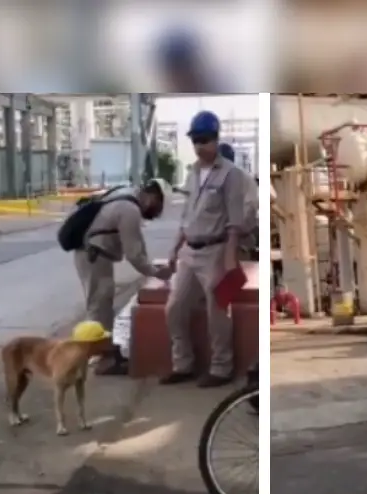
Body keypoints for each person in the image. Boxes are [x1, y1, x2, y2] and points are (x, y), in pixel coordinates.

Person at [162, 111, 245, 388]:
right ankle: (182, 364)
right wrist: (174, 250)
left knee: (217, 312)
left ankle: (221, 367)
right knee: (175, 308)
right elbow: (186, 217)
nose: (200, 146)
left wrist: (230, 258)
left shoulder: (231, 174)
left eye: (205, 140)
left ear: (216, 139)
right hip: (190, 251)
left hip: (216, 251)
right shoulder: (193, 173)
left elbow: (234, 221)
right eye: (196, 140)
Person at [74, 179, 175, 374]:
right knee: (99, 305)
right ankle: (101, 358)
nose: (157, 212)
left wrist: (151, 266)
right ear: (153, 197)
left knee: (102, 303)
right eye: (159, 206)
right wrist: (156, 272)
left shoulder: (126, 194)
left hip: (92, 254)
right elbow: (134, 254)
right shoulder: (130, 210)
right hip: (93, 255)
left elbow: (137, 244)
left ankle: (106, 351)